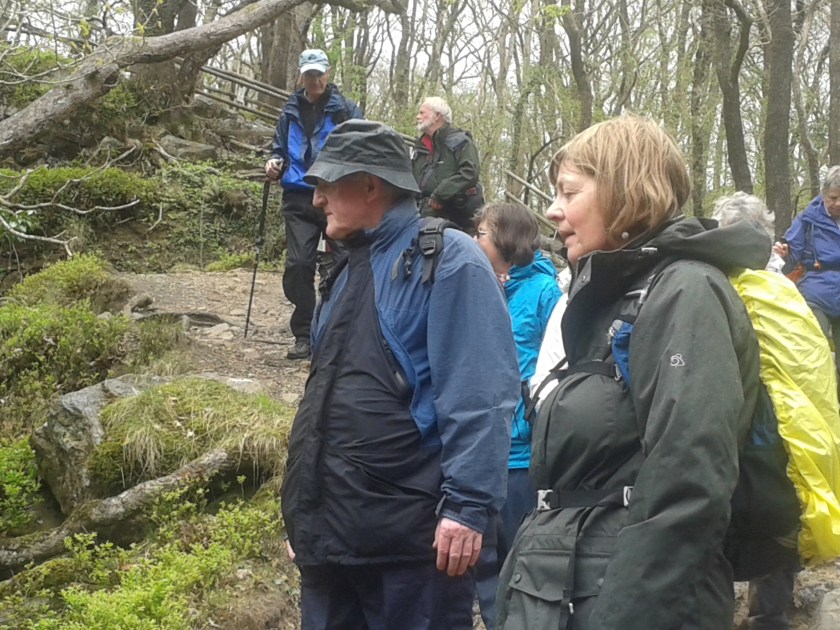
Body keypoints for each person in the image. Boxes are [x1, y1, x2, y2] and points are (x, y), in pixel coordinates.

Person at [497, 115, 771, 629]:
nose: (553, 210)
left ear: (626, 192)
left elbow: (689, 479)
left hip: (626, 602)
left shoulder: (685, 291)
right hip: (565, 590)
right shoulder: (611, 299)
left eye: (569, 191)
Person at [280, 119, 521, 630]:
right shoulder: (347, 266)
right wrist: (306, 511)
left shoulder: (450, 260)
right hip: (330, 542)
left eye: (326, 184)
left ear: (370, 185)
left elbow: (482, 394)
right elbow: (323, 399)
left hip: (411, 550)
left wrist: (467, 508)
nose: (317, 199)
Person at [470, 202, 562, 629]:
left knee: (522, 559)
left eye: (483, 233)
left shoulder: (546, 293)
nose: (475, 240)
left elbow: (562, 369)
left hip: (524, 452)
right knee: (485, 564)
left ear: (507, 239)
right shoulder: (474, 284)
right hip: (480, 448)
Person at [714, 192, 800, 630]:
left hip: (763, 431)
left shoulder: (777, 289)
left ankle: (763, 616)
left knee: (769, 517)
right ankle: (750, 614)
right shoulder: (710, 281)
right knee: (756, 518)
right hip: (746, 431)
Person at [264, 48, 363, 360]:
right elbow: (278, 148)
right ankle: (304, 333)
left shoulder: (347, 110)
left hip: (336, 195)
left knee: (345, 264)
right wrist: (273, 161)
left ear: (328, 74)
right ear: (301, 76)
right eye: (309, 73)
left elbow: (360, 148)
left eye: (319, 73)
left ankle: (339, 331)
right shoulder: (289, 111)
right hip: (297, 195)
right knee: (298, 265)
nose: (315, 79)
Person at [773, 166, 840, 376]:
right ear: (824, 195)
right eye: (833, 197)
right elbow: (791, 253)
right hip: (815, 292)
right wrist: (783, 251)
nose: (837, 203)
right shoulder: (808, 219)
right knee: (815, 354)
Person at [412, 97, 485, 232]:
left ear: (437, 116)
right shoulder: (420, 147)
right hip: (422, 218)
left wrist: (441, 193)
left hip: (457, 221)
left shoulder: (460, 141)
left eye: (422, 113)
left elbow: (470, 172)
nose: (418, 117)